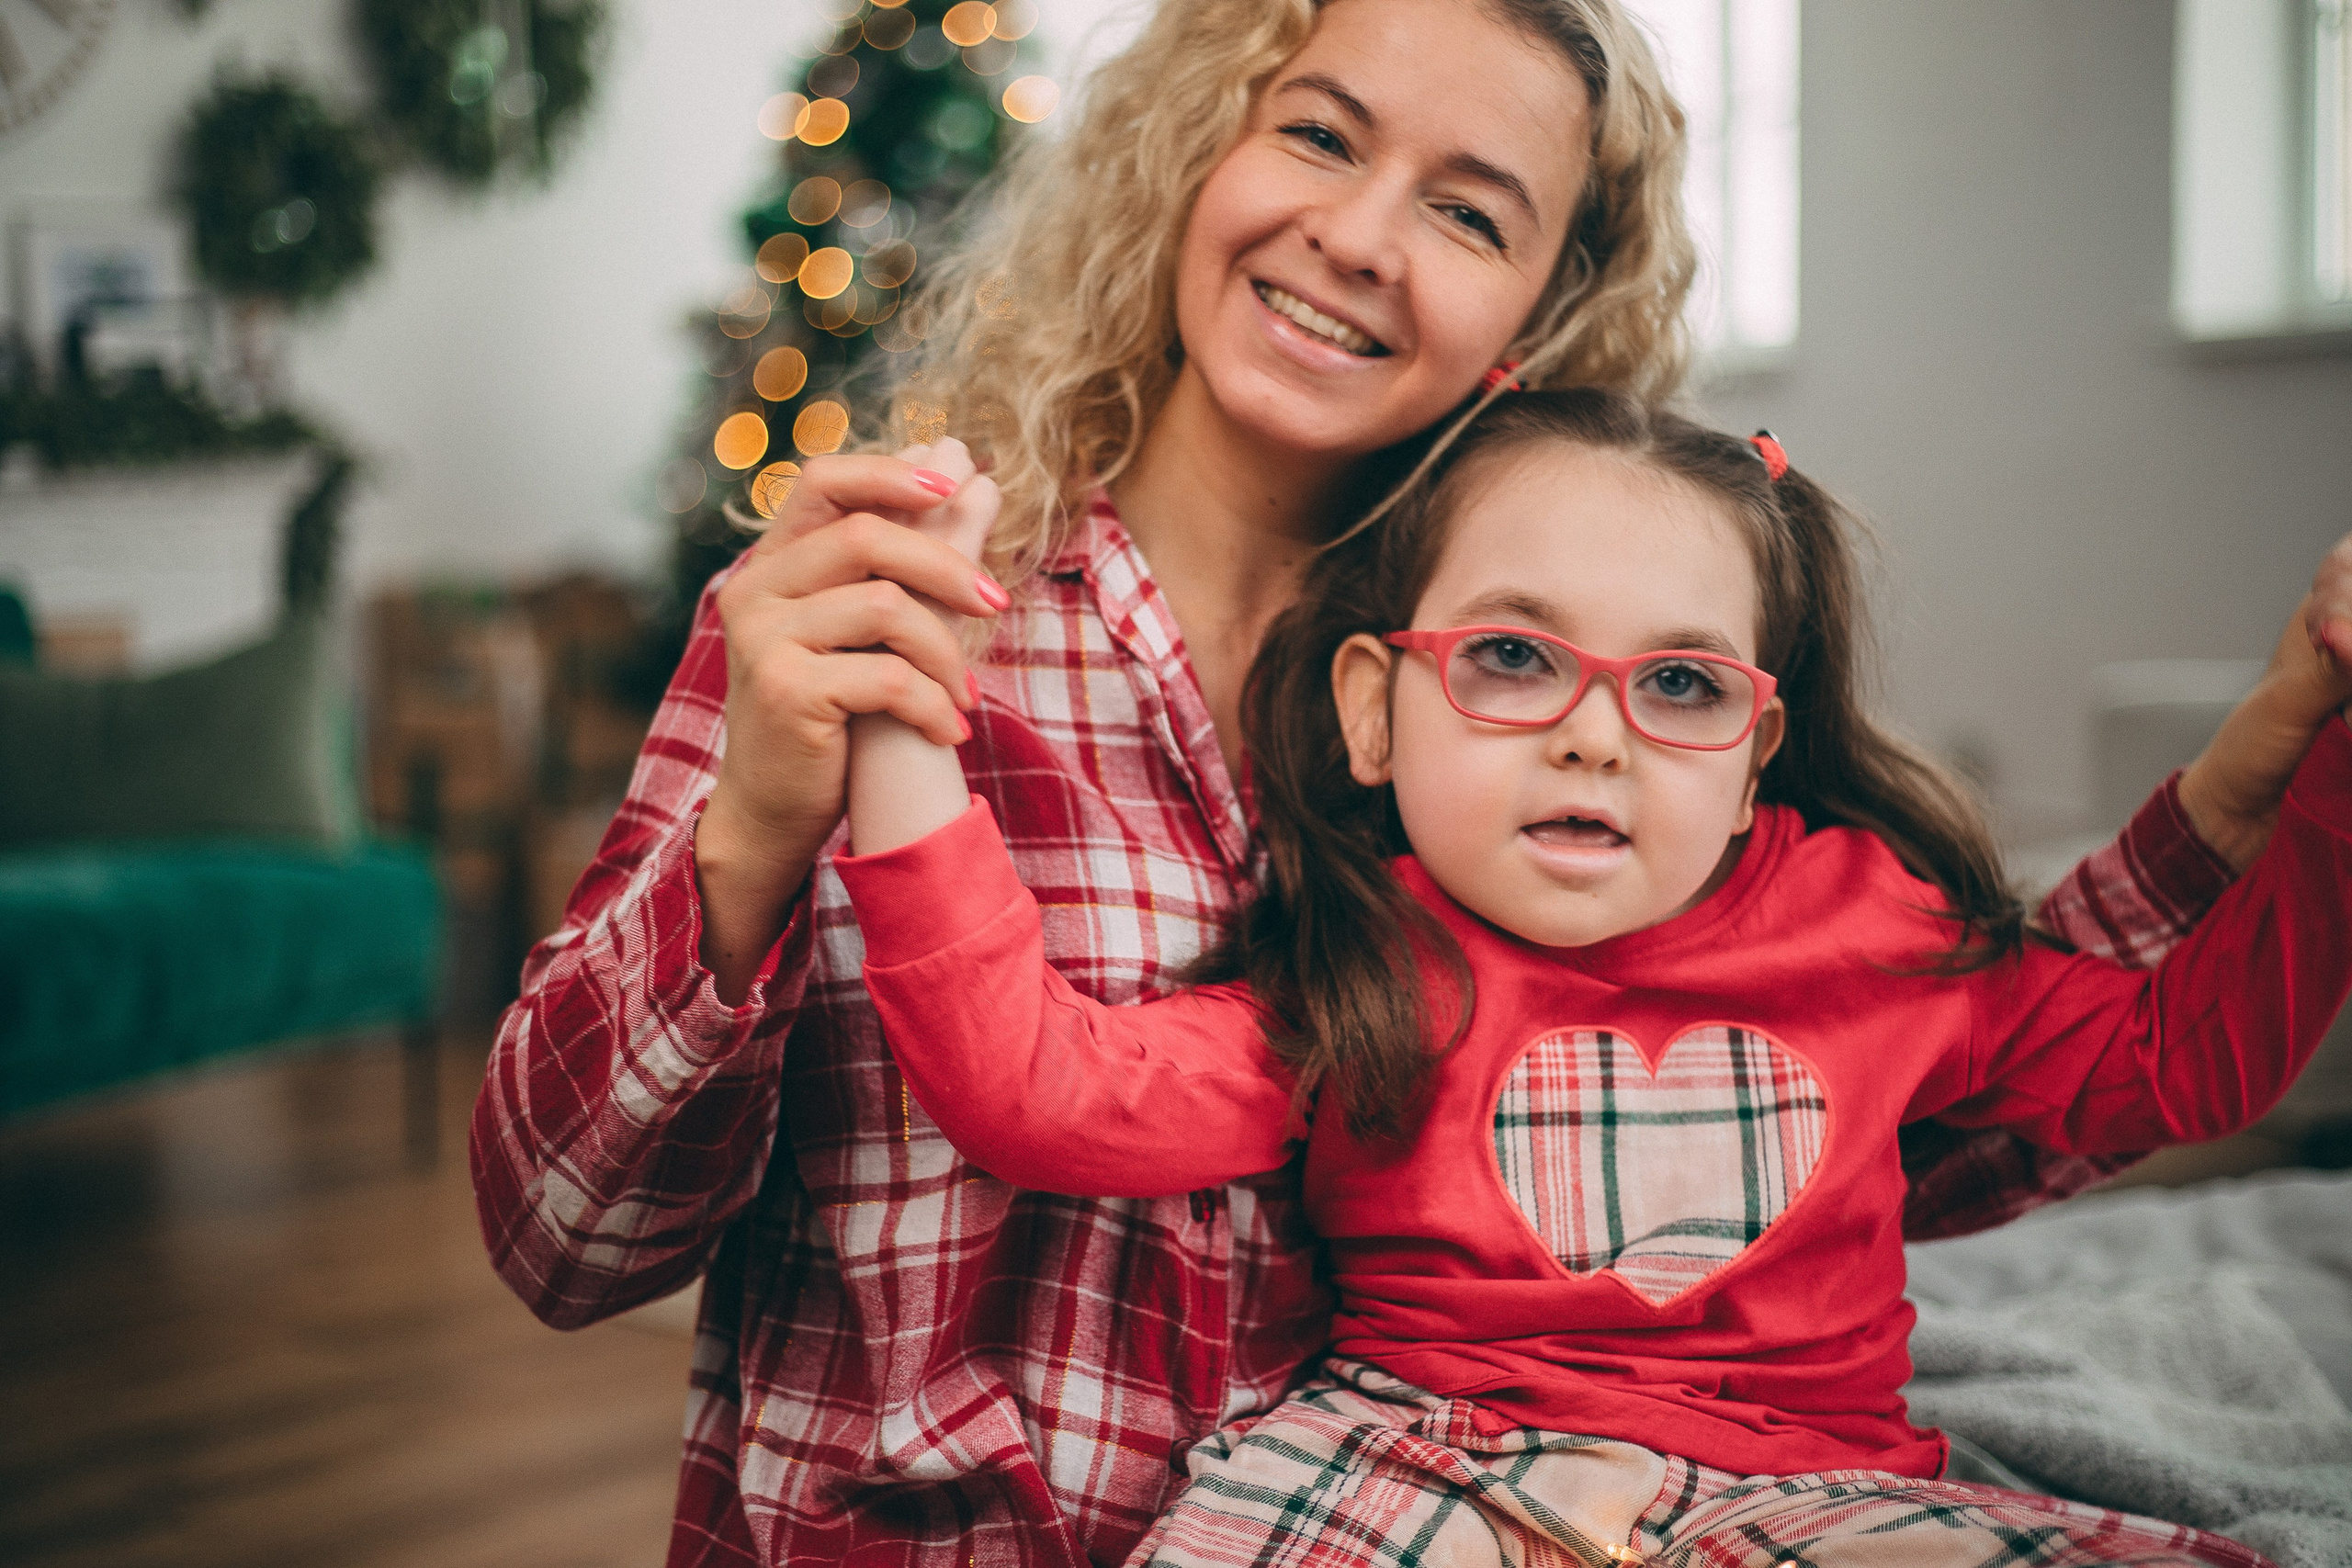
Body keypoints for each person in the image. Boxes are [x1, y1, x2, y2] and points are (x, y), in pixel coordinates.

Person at [469, 0, 2352, 1559]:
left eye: (1467, 212)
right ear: (1195, 149)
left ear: (1528, 318)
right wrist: (756, 835)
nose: (1361, 238)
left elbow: (1898, 1086)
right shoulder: (872, 621)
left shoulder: (1549, 726)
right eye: (1313, 136)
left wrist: (2270, 772)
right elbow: (561, 1244)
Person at [832, 390, 2352, 1568]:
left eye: (1681, 682)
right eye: (1512, 657)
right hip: (1412, 1463)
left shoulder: (1871, 924)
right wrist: (904, 725)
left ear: (1756, 760)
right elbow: (1037, 1091)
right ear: (1376, 713)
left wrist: (2330, 742)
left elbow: (2176, 1061)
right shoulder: (1366, 967)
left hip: (1814, 1491)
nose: (1594, 733)